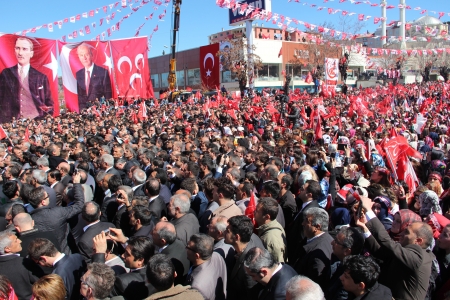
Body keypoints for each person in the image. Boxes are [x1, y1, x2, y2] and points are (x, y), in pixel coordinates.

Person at [357, 196, 435, 300]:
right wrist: (365, 229)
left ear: (418, 241)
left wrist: (368, 210)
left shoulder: (419, 256)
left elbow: (388, 242)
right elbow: (382, 253)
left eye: (407, 232)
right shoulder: (406, 253)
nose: (402, 234)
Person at [0, 37, 54, 123]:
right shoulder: (6, 73)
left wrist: (42, 121)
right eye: (18, 48)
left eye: (24, 49)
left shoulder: (41, 77)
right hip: (11, 123)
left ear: (31, 53)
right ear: (14, 51)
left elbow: (49, 104)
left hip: (35, 122)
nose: (20, 53)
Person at [225, 215, 265, 300]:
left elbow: (251, 294)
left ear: (237, 237)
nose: (224, 232)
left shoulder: (249, 266)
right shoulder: (252, 236)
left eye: (227, 231)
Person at [326, 227, 365, 300]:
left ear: (346, 251)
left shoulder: (350, 279)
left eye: (336, 241)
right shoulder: (340, 261)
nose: (332, 243)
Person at [185, 233, 227, 300]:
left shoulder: (197, 287)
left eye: (188, 247)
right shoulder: (217, 256)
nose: (185, 249)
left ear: (197, 255)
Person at [0, 230, 38, 300]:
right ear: (7, 249)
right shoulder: (25, 263)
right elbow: (41, 283)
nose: (20, 241)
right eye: (16, 240)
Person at [151, 221, 190, 285]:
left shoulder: (166, 261)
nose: (150, 233)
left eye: (153, 234)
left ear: (163, 241)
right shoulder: (179, 243)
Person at [76, 43, 112, 111]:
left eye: (86, 54)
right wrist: (82, 112)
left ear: (91, 55)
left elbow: (108, 96)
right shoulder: (79, 74)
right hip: (85, 114)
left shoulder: (103, 72)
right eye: (81, 55)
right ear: (79, 58)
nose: (84, 58)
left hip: (100, 112)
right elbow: (80, 97)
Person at [254, 197, 286, 263]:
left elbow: (275, 265)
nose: (253, 212)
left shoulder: (272, 239)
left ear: (267, 217)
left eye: (257, 211)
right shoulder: (270, 225)